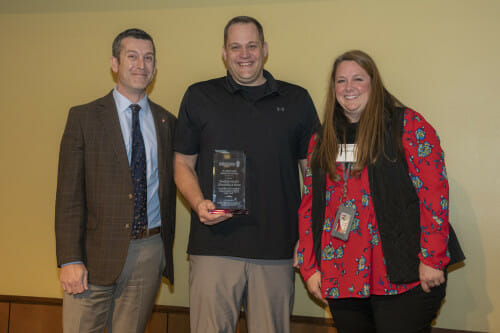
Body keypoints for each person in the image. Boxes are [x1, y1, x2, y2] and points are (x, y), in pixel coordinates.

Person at [297, 50, 464, 333]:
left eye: (358, 79)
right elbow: (310, 205)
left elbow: (434, 195)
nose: (349, 87)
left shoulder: (408, 126)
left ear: (374, 84)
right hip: (341, 275)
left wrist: (432, 258)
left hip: (406, 273)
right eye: (341, 81)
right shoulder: (322, 139)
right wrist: (310, 267)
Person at [174, 16, 319, 333]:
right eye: (235, 47)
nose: (244, 54)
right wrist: (198, 202)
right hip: (213, 246)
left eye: (252, 45)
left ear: (264, 49)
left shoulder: (297, 100)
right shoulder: (199, 96)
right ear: (224, 53)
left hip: (277, 250)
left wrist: (308, 235)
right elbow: (182, 164)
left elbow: (314, 178)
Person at [55, 28, 177, 332]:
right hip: (92, 255)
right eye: (132, 56)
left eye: (148, 58)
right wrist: (69, 259)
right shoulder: (83, 118)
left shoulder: (167, 122)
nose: (141, 64)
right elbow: (68, 196)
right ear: (114, 63)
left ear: (155, 67)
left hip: (148, 252)